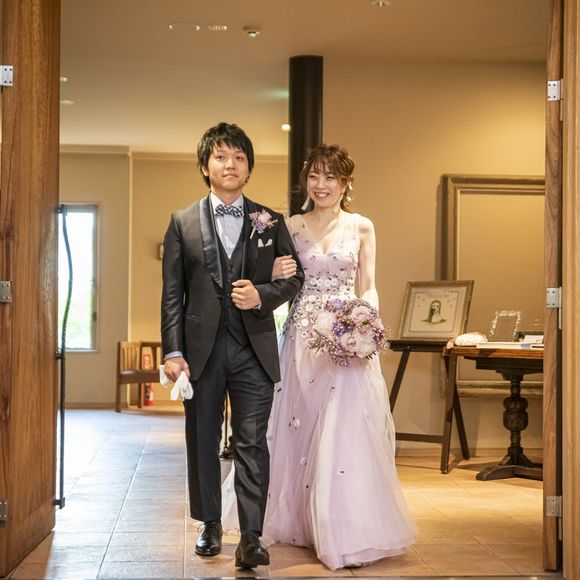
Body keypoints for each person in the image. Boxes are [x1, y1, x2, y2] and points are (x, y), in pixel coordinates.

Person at [222, 143, 416, 570]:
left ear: (345, 183)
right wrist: (272, 272)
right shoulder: (289, 225)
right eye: (314, 176)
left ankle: (341, 529)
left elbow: (369, 285)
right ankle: (298, 521)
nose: (321, 184)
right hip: (302, 336)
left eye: (330, 177)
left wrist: (366, 323)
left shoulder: (362, 226)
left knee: (342, 430)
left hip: (347, 338)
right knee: (298, 426)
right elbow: (273, 276)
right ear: (305, 181)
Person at [161, 122, 304, 569]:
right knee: (202, 439)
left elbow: (295, 278)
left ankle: (252, 537)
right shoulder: (182, 222)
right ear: (206, 166)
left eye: (239, 158)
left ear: (248, 168)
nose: (230, 164)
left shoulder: (270, 220)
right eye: (221, 157)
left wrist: (262, 294)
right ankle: (209, 524)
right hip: (200, 353)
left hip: (253, 350)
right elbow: (172, 294)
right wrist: (173, 351)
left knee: (252, 443)